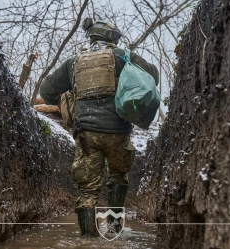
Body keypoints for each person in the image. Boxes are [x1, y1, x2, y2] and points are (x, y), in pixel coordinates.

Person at [39, 18, 159, 237]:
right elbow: (154, 76)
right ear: (112, 37)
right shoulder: (123, 56)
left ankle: (87, 239)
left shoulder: (73, 62)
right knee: (118, 178)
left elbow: (47, 92)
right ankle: (113, 232)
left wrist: (69, 101)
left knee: (87, 189)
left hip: (86, 136)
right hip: (118, 132)